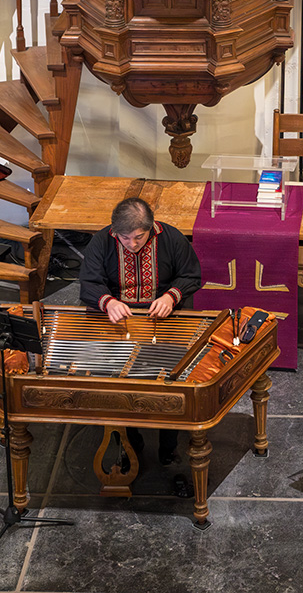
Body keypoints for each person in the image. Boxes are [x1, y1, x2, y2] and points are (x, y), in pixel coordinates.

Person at [79, 197, 201, 464]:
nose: (132, 244)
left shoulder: (171, 238)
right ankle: (129, 443)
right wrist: (108, 302)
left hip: (162, 319)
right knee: (119, 388)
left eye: (138, 237)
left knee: (169, 385)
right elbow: (88, 283)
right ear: (115, 231)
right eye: (125, 238)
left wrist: (170, 296)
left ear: (151, 227)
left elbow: (191, 275)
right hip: (117, 320)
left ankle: (168, 447)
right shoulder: (101, 242)